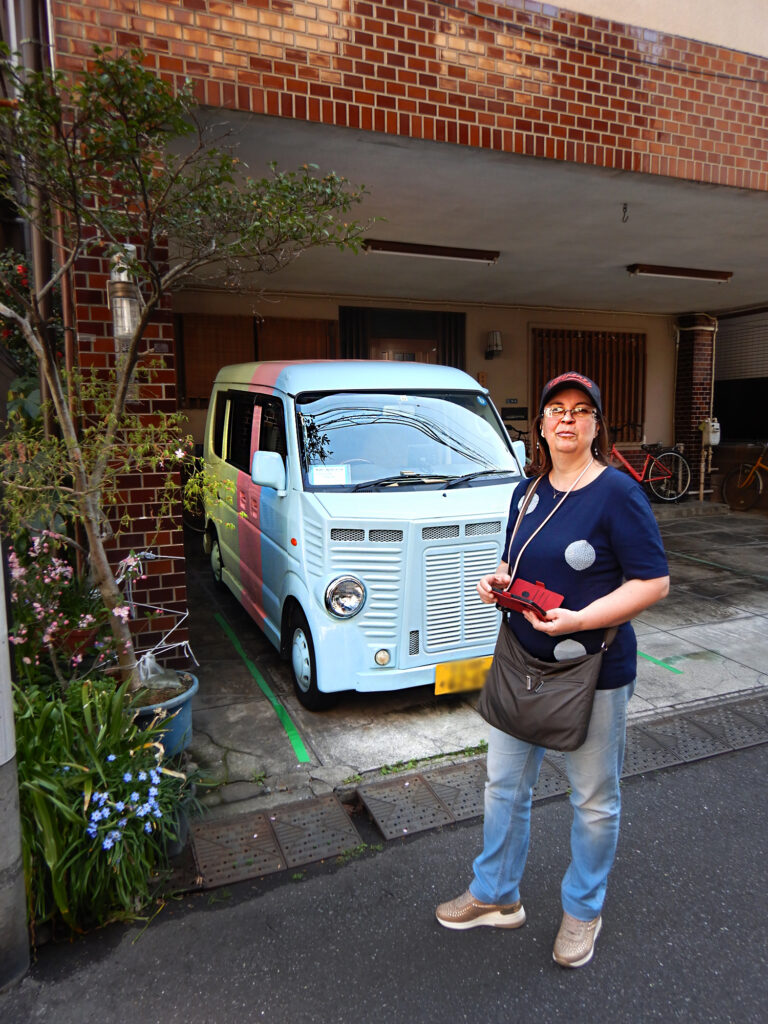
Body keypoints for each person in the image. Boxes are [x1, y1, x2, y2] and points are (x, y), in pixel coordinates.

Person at [435, 371, 670, 968]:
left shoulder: (617, 493)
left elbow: (654, 582)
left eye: (580, 410)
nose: (567, 419)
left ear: (596, 425)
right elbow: (519, 563)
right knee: (503, 787)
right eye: (556, 410)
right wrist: (502, 582)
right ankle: (496, 895)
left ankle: (582, 910)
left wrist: (583, 618)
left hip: (592, 669)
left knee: (593, 799)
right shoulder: (528, 491)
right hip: (520, 663)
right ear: (540, 425)